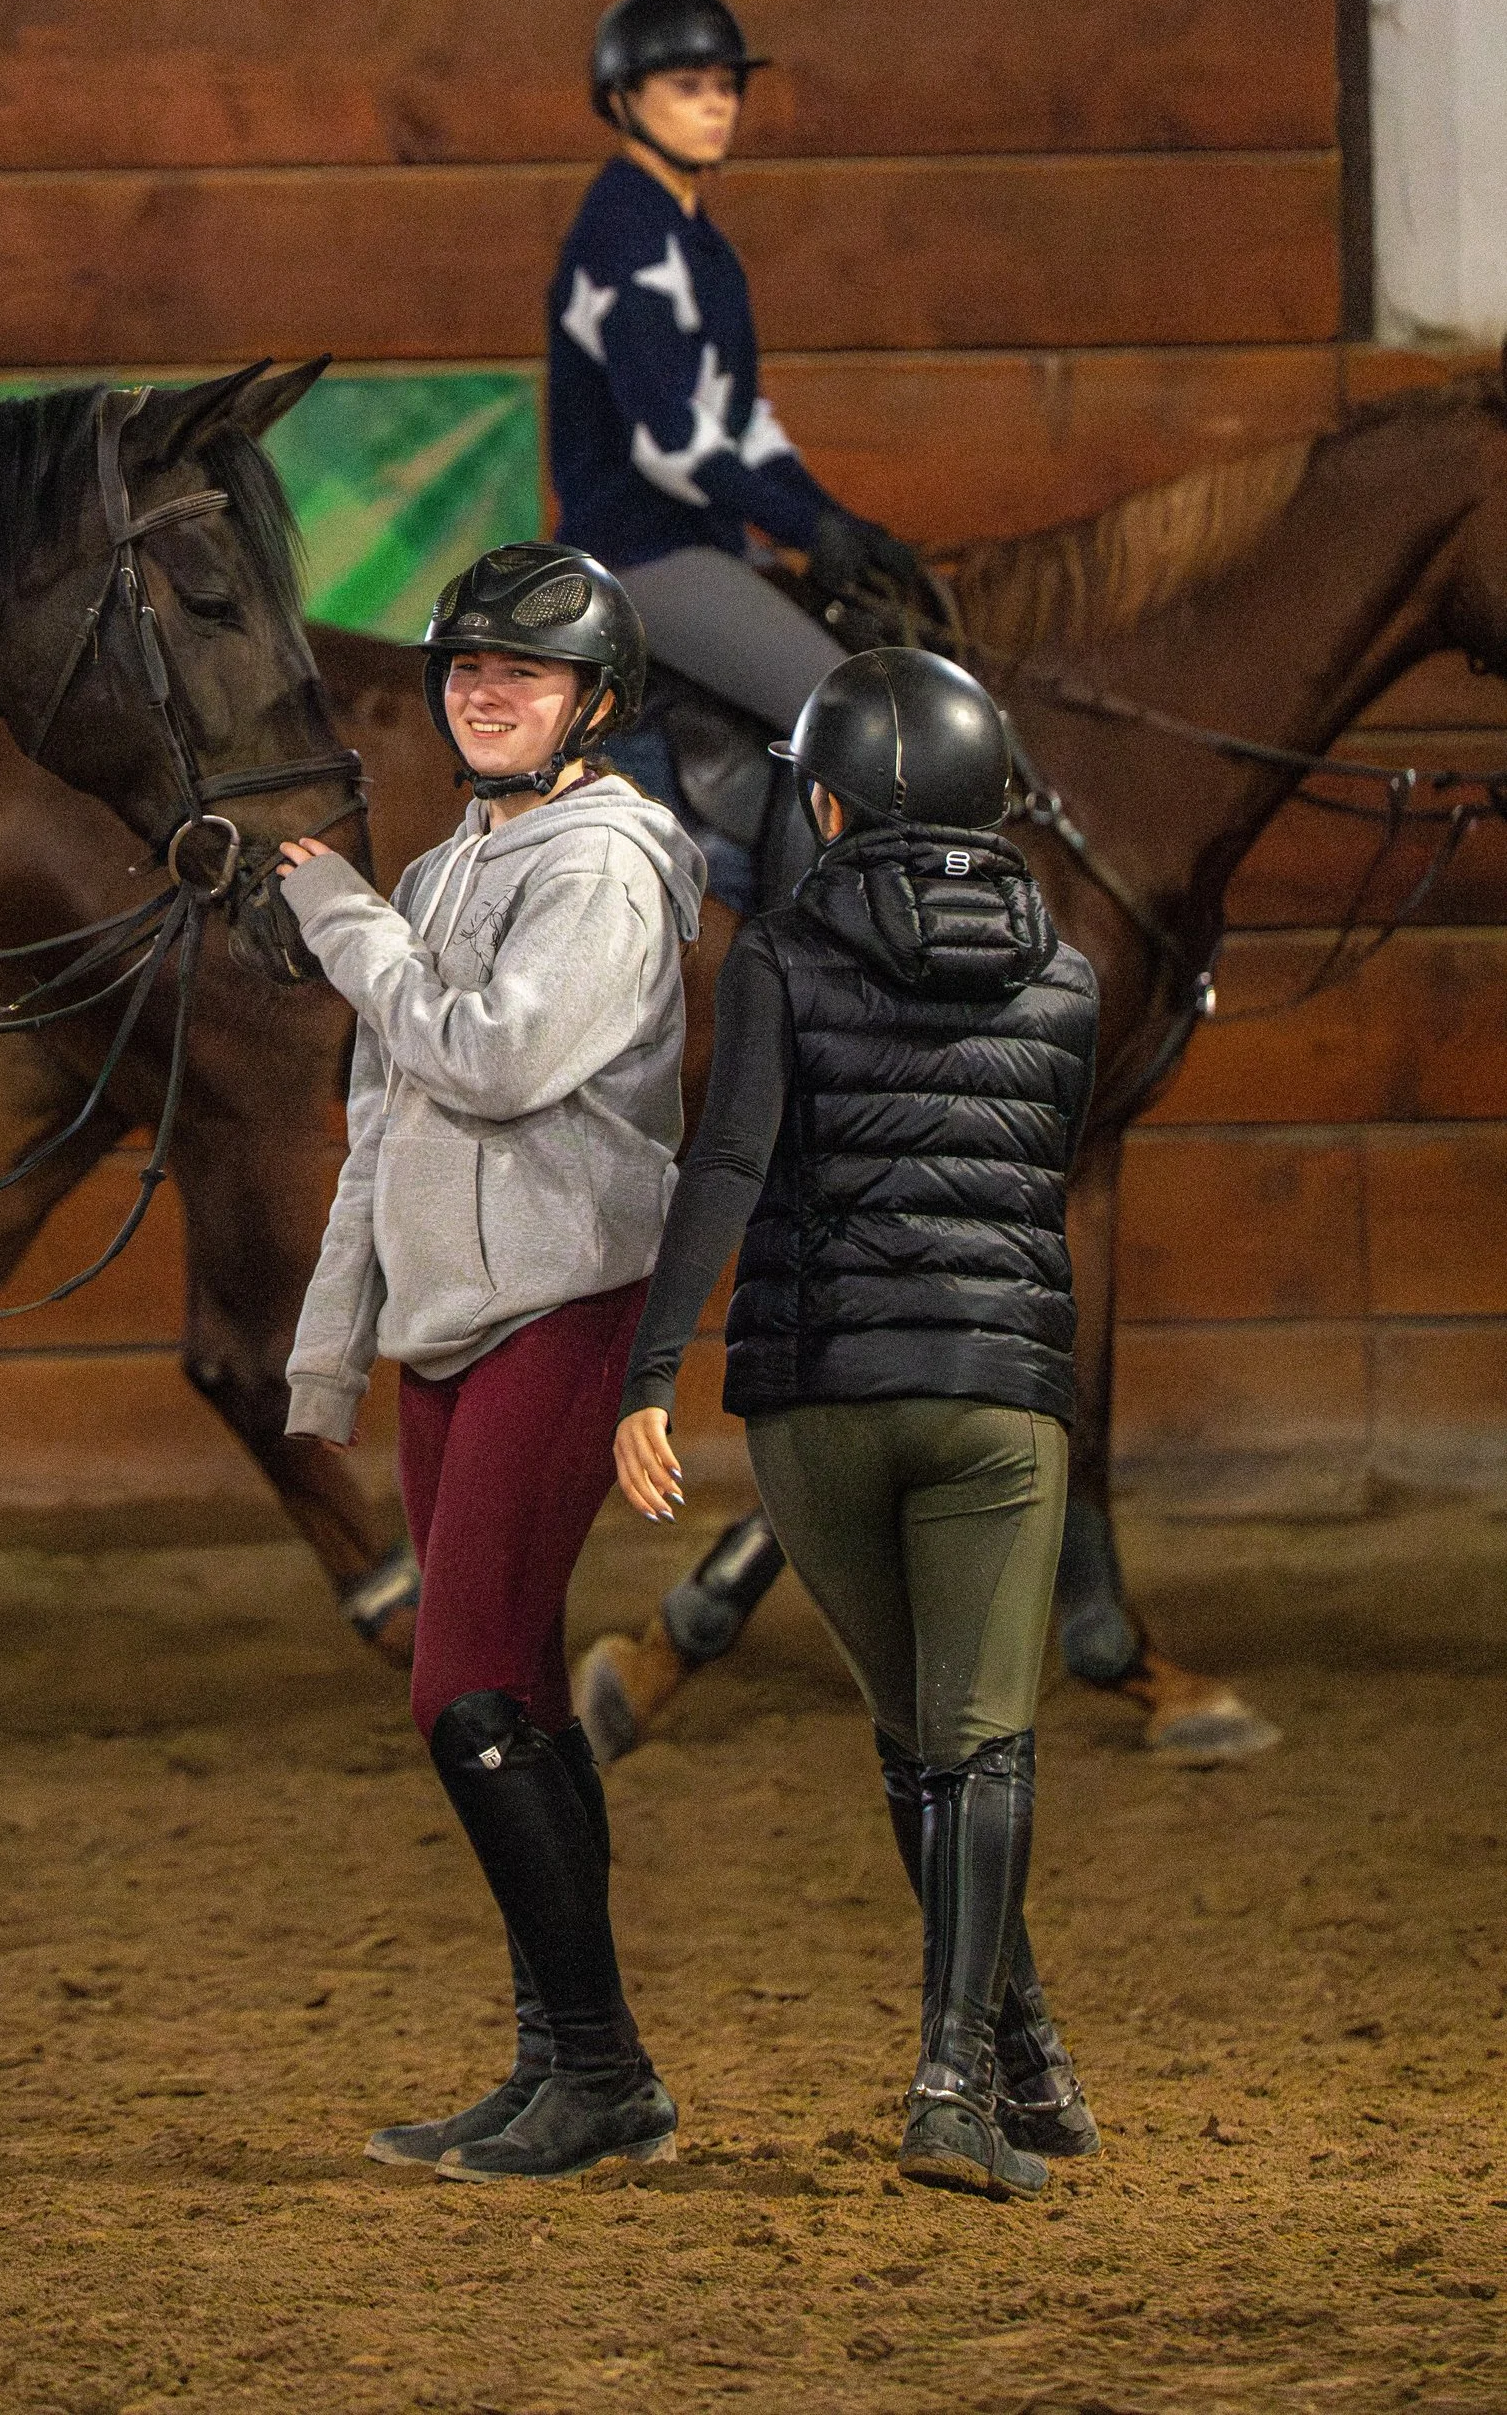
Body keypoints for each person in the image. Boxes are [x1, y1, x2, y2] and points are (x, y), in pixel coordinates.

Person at [613, 646, 1101, 2204]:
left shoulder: (774, 956)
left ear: (821, 799)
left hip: (817, 1404)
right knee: (986, 1741)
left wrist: (648, 1372)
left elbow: (729, 1167)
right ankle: (965, 2077)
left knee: (914, 1741)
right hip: (996, 1394)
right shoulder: (1073, 978)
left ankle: (1023, 2052)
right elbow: (1039, 1173)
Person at [274, 544, 704, 2184]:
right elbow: (389, 1122)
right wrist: (340, 1341)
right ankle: (565, 2066)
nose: (482, 693)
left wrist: (342, 921)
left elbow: (494, 1056)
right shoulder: (472, 855)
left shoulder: (594, 867)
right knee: (506, 1689)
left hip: (560, 1301)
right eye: (465, 672)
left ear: (591, 703)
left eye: (517, 676)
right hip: (460, 1312)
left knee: (460, 1694)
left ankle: (600, 2071)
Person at [549, 0, 934, 879]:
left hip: (710, 542)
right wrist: (805, 530)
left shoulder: (699, 245)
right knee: (844, 717)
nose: (718, 103)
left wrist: (845, 527)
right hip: (645, 553)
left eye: (726, 85)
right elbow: (672, 444)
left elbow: (745, 430)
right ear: (622, 101)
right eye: (688, 86)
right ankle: (804, 952)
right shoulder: (624, 231)